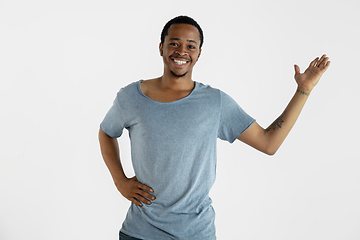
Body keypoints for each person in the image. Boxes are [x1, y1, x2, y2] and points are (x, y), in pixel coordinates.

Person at [98, 15, 330, 240]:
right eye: (174, 43)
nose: (181, 52)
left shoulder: (214, 102)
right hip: (141, 232)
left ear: (199, 53)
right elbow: (107, 132)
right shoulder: (131, 97)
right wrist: (120, 181)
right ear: (161, 47)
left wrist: (304, 90)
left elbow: (269, 143)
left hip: (196, 233)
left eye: (191, 46)